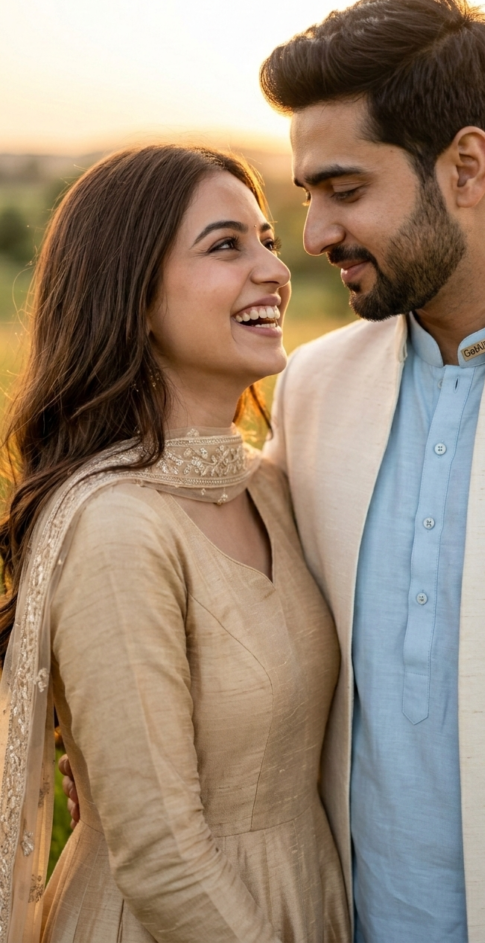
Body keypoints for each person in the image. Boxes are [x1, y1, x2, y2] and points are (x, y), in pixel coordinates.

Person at [255, 0, 485, 943]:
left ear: (466, 167)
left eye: (346, 191)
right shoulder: (310, 389)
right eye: (309, 197)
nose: (315, 236)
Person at [0, 145, 350, 943]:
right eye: (226, 245)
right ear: (133, 295)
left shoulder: (270, 487)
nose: (275, 270)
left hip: (307, 899)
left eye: (267, 240)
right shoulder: (117, 526)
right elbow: (161, 859)